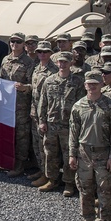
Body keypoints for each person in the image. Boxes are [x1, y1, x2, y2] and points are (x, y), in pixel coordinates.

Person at [67, 71, 111, 221]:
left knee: (104, 192)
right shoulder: (78, 106)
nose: (92, 87)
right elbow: (73, 132)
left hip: (103, 153)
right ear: (84, 85)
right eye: (89, 83)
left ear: (102, 85)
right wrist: (72, 154)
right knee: (84, 189)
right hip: (84, 153)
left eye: (95, 84)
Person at [36, 51, 85, 195]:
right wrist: (42, 121)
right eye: (60, 62)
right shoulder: (49, 80)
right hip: (51, 124)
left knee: (68, 155)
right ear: (57, 63)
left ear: (70, 63)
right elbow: (42, 103)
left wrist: (78, 125)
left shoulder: (77, 82)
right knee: (50, 153)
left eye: (65, 62)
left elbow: (81, 104)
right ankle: (52, 179)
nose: (62, 64)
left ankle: (69, 183)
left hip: (68, 125)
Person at [1, 31, 35, 178]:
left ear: (24, 44)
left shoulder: (28, 62)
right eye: (12, 41)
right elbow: (1, 79)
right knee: (8, 133)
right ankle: (8, 160)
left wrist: (24, 87)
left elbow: (33, 85)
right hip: (6, 105)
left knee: (22, 136)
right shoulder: (5, 60)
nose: (15, 44)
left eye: (18, 42)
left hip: (21, 106)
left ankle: (20, 164)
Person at [28, 40, 58, 188]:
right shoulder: (37, 68)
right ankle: (42, 171)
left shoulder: (53, 71)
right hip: (35, 112)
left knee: (47, 148)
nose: (42, 54)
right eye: (39, 51)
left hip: (45, 115)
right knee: (38, 145)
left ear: (50, 53)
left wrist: (44, 118)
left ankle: (50, 177)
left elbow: (52, 98)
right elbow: (34, 89)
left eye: (45, 52)